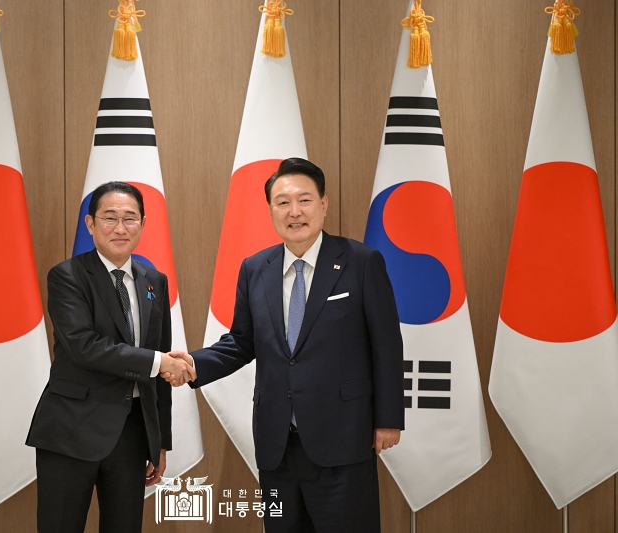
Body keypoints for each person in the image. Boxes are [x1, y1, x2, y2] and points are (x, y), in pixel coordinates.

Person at [165, 158, 404, 532]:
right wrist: (194, 364)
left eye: (305, 200)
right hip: (278, 443)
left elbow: (386, 346)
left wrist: (388, 419)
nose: (295, 212)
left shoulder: (360, 262)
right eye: (283, 202)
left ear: (324, 204)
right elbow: (242, 341)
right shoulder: (255, 268)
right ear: (271, 210)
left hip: (343, 436)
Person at [26, 181, 196, 533]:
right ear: (90, 224)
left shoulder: (155, 281)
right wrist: (159, 362)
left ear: (143, 224)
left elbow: (158, 366)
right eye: (110, 218)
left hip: (132, 433)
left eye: (130, 218)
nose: (120, 228)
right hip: (72, 429)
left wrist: (159, 439)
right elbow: (83, 345)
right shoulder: (68, 276)